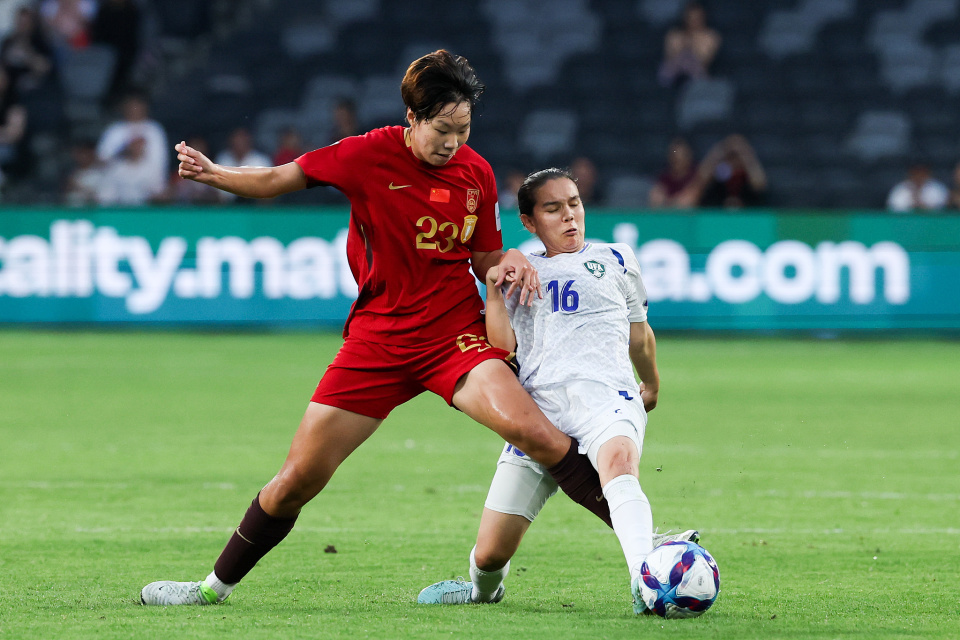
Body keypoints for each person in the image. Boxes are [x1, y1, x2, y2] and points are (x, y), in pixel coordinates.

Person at [140, 50, 614, 607]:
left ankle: (648, 546)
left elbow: (484, 257)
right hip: (379, 341)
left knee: (539, 435)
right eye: (442, 130)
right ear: (412, 117)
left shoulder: (477, 174)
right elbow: (278, 178)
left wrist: (508, 258)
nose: (453, 143)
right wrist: (215, 175)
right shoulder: (365, 154)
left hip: (453, 336)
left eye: (463, 130)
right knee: (296, 481)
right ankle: (209, 589)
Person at [417, 169, 697, 612]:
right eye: (553, 208)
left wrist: (652, 382)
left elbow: (639, 335)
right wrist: (494, 292)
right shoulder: (519, 271)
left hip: (607, 399)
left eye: (574, 203)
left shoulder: (617, 258)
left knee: (619, 463)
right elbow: (502, 348)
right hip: (538, 416)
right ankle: (481, 592)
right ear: (529, 221)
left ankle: (645, 582)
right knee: (489, 556)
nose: (569, 216)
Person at [96, 92, 169, 194]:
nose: (134, 109)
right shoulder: (114, 130)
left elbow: (160, 163)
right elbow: (101, 161)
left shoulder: (154, 130)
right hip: (117, 183)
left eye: (138, 105)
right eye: (131, 105)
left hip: (146, 183)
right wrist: (125, 151)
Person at [658, 2, 721, 88]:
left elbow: (705, 60)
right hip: (674, 73)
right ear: (685, 18)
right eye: (690, 17)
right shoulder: (673, 35)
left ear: (703, 17)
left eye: (697, 18)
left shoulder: (711, 36)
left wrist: (692, 43)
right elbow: (669, 57)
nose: (693, 21)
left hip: (698, 74)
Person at [698, 134, 766, 209]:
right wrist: (718, 153)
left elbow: (759, 185)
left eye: (737, 156)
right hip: (718, 211)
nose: (734, 161)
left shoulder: (747, 174)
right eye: (731, 156)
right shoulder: (718, 172)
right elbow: (701, 180)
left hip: (748, 212)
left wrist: (746, 155)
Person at [215, 126, 273, 202]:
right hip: (226, 205)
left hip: (256, 205)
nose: (239, 141)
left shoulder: (261, 160)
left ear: (249, 140)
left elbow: (269, 190)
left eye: (242, 138)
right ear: (231, 140)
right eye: (237, 138)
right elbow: (216, 191)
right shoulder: (223, 159)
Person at [648, 137, 701, 208]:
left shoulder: (697, 176)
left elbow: (688, 200)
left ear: (689, 156)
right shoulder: (665, 177)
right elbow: (656, 198)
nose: (677, 159)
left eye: (681, 156)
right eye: (674, 157)